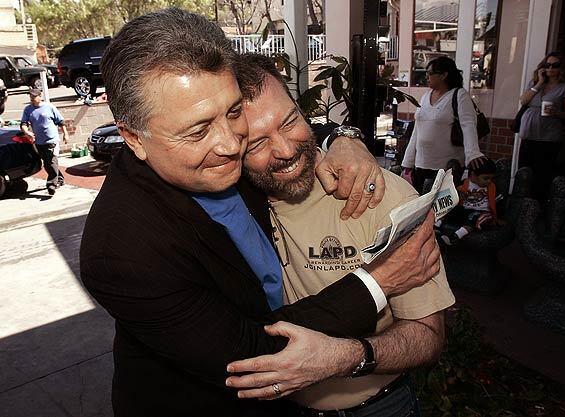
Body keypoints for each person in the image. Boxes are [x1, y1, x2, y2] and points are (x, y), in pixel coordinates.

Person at [79, 8, 441, 417]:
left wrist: (345, 136)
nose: (232, 144)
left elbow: (279, 128)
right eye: (198, 131)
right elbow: (253, 353)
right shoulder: (121, 252)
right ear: (133, 137)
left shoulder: (219, 155)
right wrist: (380, 281)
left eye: (233, 112)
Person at [224, 53, 454, 416]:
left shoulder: (380, 195)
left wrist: (346, 358)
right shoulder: (232, 204)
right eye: (256, 143)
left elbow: (428, 337)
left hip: (379, 406)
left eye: (289, 121)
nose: (285, 150)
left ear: (303, 113)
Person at [401, 56, 486, 193]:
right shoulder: (425, 96)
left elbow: (468, 125)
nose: (427, 76)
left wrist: (472, 153)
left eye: (430, 73)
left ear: (444, 75)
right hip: (421, 164)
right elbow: (417, 130)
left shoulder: (459, 95)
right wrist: (407, 162)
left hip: (446, 166)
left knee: (439, 210)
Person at [519, 52, 565, 198]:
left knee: (543, 174)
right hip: (529, 133)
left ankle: (537, 205)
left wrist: (556, 112)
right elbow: (524, 101)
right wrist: (539, 82)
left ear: (561, 68)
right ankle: (520, 203)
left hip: (549, 136)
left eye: (555, 65)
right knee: (525, 171)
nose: (550, 68)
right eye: (547, 65)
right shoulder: (534, 83)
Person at [439, 158, 498, 246]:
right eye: (486, 178)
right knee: (451, 209)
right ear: (473, 175)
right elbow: (456, 194)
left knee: (475, 218)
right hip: (465, 210)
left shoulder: (491, 187)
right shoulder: (466, 183)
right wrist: (459, 195)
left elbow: (494, 200)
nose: (489, 181)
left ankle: (455, 237)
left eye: (491, 178)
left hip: (481, 212)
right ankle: (437, 226)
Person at [20, 88, 68, 195]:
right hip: (39, 141)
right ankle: (59, 179)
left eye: (34, 96)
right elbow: (23, 123)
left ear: (39, 97)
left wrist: (66, 133)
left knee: (52, 161)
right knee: (47, 163)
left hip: (52, 139)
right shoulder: (28, 110)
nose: (32, 99)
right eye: (30, 97)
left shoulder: (49, 107)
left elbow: (61, 121)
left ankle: (51, 184)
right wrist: (27, 132)